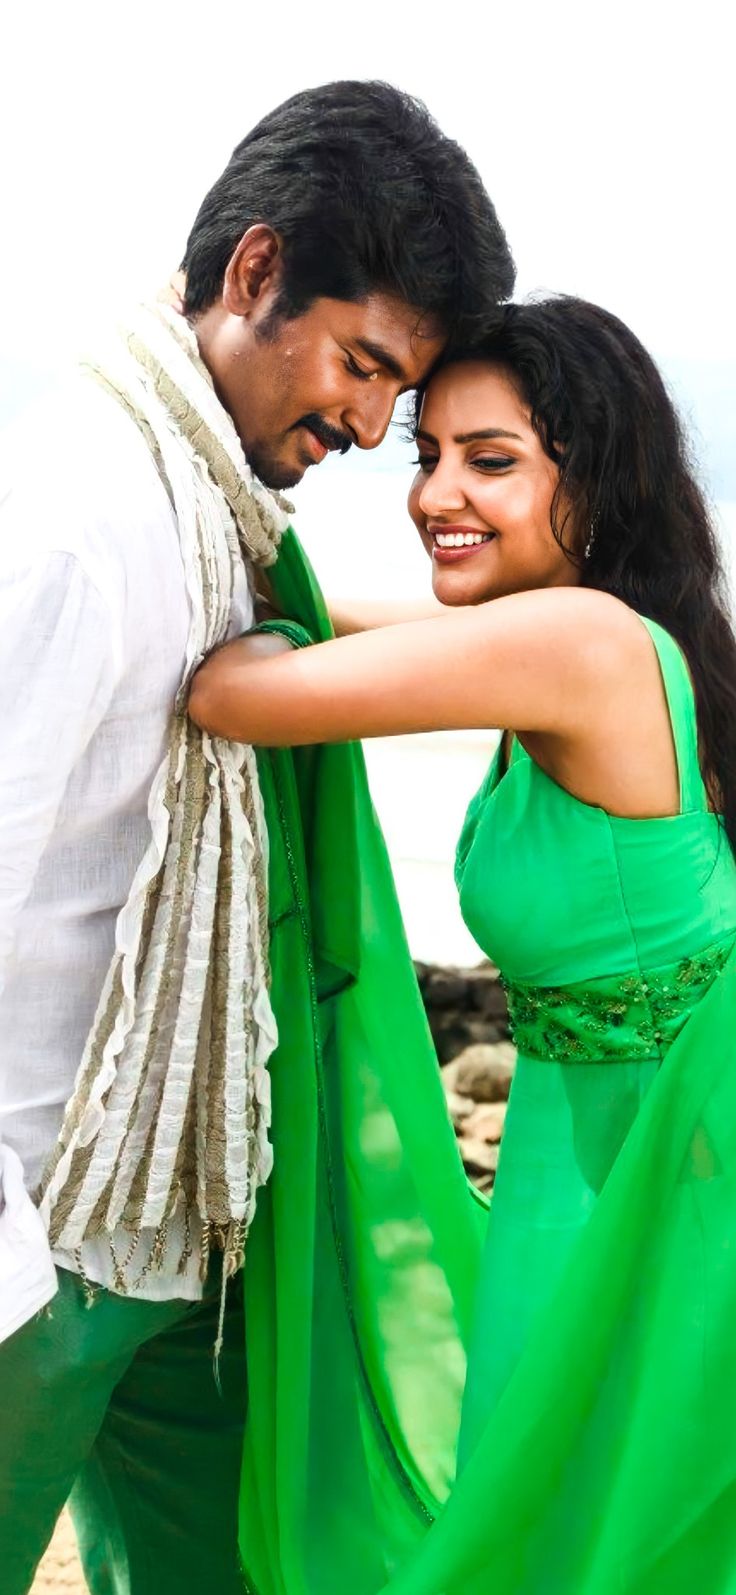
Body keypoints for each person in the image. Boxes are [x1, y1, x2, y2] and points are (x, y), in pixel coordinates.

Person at [0, 80, 514, 1595]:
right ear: (252, 272)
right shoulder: (76, 509)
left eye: (395, 390)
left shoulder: (217, 513)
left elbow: (332, 653)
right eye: (362, 365)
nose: (368, 424)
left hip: (190, 1235)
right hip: (44, 1241)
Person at [190, 296, 736, 1594]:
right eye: (427, 453)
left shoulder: (582, 642)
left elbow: (236, 695)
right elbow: (335, 633)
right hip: (598, 1167)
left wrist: (245, 609)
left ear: (595, 478)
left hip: (679, 1189)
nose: (439, 490)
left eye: (491, 460)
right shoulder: (562, 636)